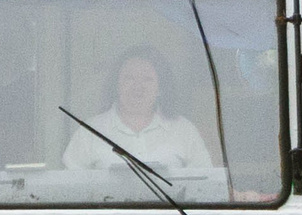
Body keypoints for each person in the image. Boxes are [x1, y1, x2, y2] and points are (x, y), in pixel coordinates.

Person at [60, 45, 217, 179]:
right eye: (129, 78)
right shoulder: (90, 131)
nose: (138, 87)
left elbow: (206, 182)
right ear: (116, 84)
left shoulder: (184, 130)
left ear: (161, 88)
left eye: (148, 79)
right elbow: (69, 187)